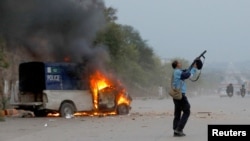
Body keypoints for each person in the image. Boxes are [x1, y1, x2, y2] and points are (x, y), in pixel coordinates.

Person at [171, 60, 198, 137]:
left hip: (176, 94)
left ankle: (176, 130)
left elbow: (185, 72)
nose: (180, 63)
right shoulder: (178, 72)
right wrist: (194, 68)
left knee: (177, 112)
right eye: (179, 63)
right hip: (180, 95)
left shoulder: (177, 72)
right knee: (187, 111)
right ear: (176, 65)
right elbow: (189, 75)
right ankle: (179, 129)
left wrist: (191, 66)